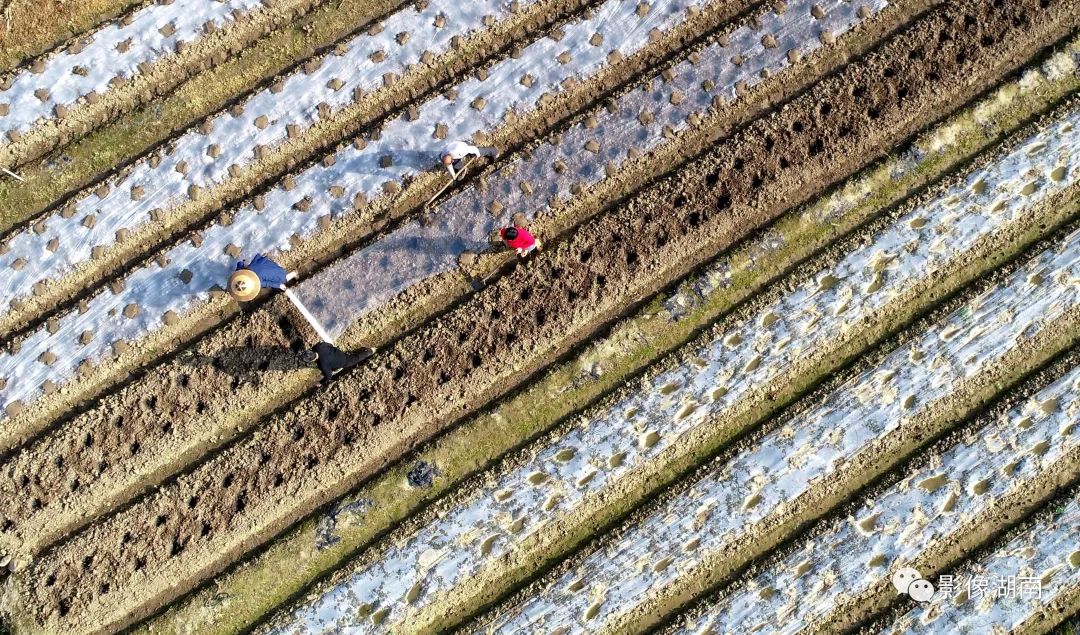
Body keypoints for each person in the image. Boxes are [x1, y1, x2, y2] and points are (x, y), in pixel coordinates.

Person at [228, 253, 296, 302]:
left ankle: (295, 273)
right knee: (277, 270)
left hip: (278, 275)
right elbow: (260, 257)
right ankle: (293, 273)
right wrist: (241, 262)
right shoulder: (252, 265)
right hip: (271, 265)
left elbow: (269, 283)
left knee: (284, 279)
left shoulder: (259, 281)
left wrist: (280, 285)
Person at [301, 342, 375, 384]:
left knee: (356, 359)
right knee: (348, 357)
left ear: (311, 360)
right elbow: (330, 345)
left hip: (344, 362)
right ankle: (365, 350)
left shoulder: (323, 365)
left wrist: (320, 383)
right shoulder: (318, 346)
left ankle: (370, 351)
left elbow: (329, 376)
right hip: (339, 353)